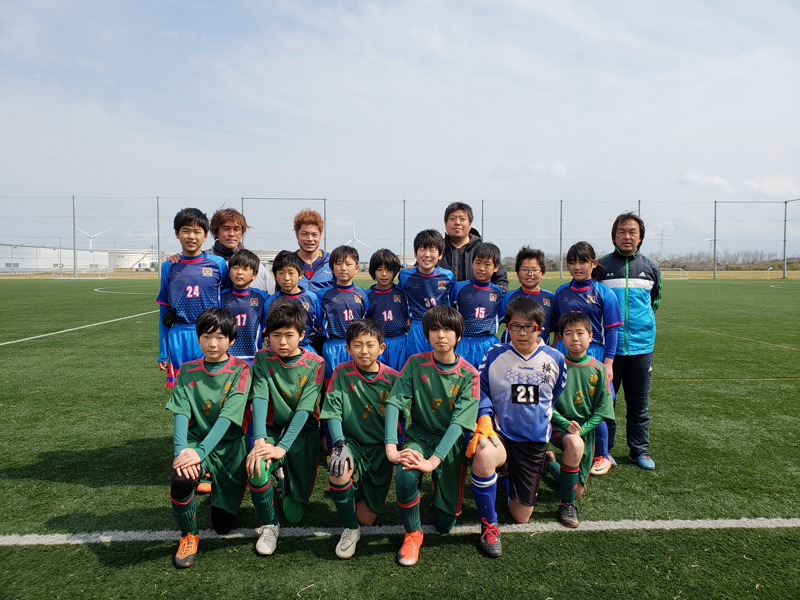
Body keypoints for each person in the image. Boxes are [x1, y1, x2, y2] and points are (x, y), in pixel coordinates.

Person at [468, 297, 566, 557]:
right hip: (501, 433)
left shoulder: (555, 358)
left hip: (533, 441)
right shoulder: (495, 354)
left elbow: (554, 394)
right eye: (515, 326)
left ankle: (507, 477)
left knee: (521, 516)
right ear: (507, 327)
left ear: (540, 328)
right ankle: (489, 525)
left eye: (529, 326)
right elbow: (481, 388)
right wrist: (485, 416)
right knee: (484, 453)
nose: (522, 333)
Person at [384, 305, 480, 567]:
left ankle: (440, 486)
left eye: (448, 329)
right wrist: (391, 447)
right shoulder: (415, 363)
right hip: (420, 436)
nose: (441, 335)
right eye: (435, 329)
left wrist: (433, 462)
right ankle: (413, 533)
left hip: (450, 444)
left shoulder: (469, 374)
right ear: (426, 334)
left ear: (458, 335)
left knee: (445, 525)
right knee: (405, 474)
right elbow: (394, 402)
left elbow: (459, 424)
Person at [166, 307, 252, 568]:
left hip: (231, 448)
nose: (212, 344)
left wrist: (199, 453)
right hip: (196, 443)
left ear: (232, 340)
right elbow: (181, 413)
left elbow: (227, 418)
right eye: (206, 336)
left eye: (220, 337)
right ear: (198, 338)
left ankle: (217, 483)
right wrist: (182, 454)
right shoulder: (187, 370)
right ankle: (189, 535)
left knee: (222, 526)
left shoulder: (242, 370)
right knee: (181, 479)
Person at [320, 320, 401, 559]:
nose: (364, 351)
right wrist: (339, 444)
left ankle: (350, 492)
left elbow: (405, 418)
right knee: (338, 470)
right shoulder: (341, 372)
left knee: (367, 518)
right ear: (348, 348)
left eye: (370, 345)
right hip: (351, 444)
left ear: (382, 348)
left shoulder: (393, 379)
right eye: (357, 345)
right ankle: (350, 529)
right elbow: (332, 411)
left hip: (380, 449)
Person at [248, 300, 325, 535]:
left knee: (294, 515)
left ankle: (284, 475)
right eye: (276, 335)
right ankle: (270, 525)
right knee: (257, 468)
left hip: (303, 433)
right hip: (272, 430)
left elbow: (304, 410)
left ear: (301, 335)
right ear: (267, 336)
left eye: (289, 335)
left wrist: (282, 448)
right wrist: (259, 440)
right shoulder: (262, 358)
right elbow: (259, 398)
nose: (282, 342)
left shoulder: (316, 363)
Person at [594, 212, 662, 470]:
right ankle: (605, 451)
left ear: (640, 237)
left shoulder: (651, 267)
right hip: (608, 350)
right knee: (606, 403)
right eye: (621, 231)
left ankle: (639, 451)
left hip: (641, 348)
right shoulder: (601, 267)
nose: (627, 236)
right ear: (613, 236)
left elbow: (654, 302)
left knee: (638, 404)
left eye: (632, 232)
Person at [551, 242, 622, 476]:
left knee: (597, 406)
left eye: (583, 261)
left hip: (595, 354)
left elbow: (612, 330)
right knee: (564, 402)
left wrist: (609, 362)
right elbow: (557, 328)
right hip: (565, 356)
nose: (577, 267)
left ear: (594, 264)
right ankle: (569, 446)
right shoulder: (561, 292)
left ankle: (603, 455)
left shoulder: (604, 293)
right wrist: (553, 351)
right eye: (572, 262)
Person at [545, 311, 615, 528]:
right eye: (568, 333)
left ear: (591, 336)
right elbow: (545, 403)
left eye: (580, 333)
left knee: (577, 490)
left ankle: (549, 464)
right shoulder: (555, 365)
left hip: (584, 429)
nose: (574, 338)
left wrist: (582, 429)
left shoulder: (599, 369)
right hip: (558, 425)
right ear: (561, 338)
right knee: (574, 446)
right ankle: (567, 505)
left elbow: (602, 410)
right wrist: (565, 423)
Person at [157, 208, 228, 388]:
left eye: (197, 231)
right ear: (177, 234)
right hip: (179, 336)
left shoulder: (218, 264)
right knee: (183, 390)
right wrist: (163, 351)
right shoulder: (169, 266)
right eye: (186, 231)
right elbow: (164, 310)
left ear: (205, 236)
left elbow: (228, 299)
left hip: (210, 334)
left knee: (210, 387)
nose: (191, 236)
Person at [167, 208, 276, 295]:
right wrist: (179, 258)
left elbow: (271, 296)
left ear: (242, 233)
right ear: (216, 231)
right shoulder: (203, 261)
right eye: (226, 228)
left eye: (236, 229)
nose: (231, 234)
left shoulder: (256, 265)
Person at [398, 229, 455, 360]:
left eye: (432, 249)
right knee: (416, 364)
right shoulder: (405, 275)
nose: (427, 254)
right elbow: (401, 298)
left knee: (440, 364)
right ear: (415, 253)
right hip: (417, 327)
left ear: (440, 254)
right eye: (422, 249)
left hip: (440, 326)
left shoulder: (448, 276)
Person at [320, 245, 370, 387]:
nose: (343, 268)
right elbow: (318, 320)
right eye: (338, 264)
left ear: (357, 268)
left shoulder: (362, 294)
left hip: (356, 346)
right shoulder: (322, 294)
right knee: (332, 385)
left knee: (356, 385)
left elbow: (366, 319)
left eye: (348, 264)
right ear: (332, 268)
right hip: (332, 346)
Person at [451, 242, 505, 367]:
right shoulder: (458, 287)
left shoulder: (498, 292)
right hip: (462, 343)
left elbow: (500, 316)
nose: (481, 268)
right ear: (472, 264)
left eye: (487, 264)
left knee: (487, 378)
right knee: (460, 377)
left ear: (496, 267)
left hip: (488, 343)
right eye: (478, 262)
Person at [438, 202, 509, 292]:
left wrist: (501, 289)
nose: (457, 223)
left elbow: (500, 278)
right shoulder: (436, 250)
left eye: (462, 219)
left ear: (470, 224)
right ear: (445, 223)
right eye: (452, 218)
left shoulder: (483, 250)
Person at [265, 250, 323, 353]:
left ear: (301, 275)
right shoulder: (270, 301)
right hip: (279, 351)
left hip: (306, 350)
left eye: (291, 273)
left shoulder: (312, 298)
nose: (286, 278)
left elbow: (319, 326)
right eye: (281, 273)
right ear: (275, 276)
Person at [498, 246, 556, 345]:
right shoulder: (510, 296)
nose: (530, 273)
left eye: (535, 269)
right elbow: (497, 323)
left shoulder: (550, 297)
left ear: (542, 273)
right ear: (517, 274)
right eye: (525, 269)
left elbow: (556, 327)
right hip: (512, 350)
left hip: (539, 351)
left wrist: (553, 346)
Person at [220, 249, 268, 363]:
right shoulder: (220, 296)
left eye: (245, 269)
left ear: (254, 275)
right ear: (229, 272)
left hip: (252, 358)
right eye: (235, 267)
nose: (239, 272)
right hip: (224, 358)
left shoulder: (262, 297)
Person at [365, 248, 409, 371]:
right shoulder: (367, 295)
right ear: (373, 271)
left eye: (388, 269)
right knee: (378, 376)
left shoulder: (402, 293)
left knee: (399, 376)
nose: (384, 274)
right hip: (377, 343)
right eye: (379, 269)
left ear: (395, 271)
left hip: (400, 342)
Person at [293, 208, 334, 295]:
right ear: (297, 234)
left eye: (314, 234)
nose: (310, 239)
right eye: (304, 234)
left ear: (320, 235)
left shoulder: (332, 262)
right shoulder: (288, 263)